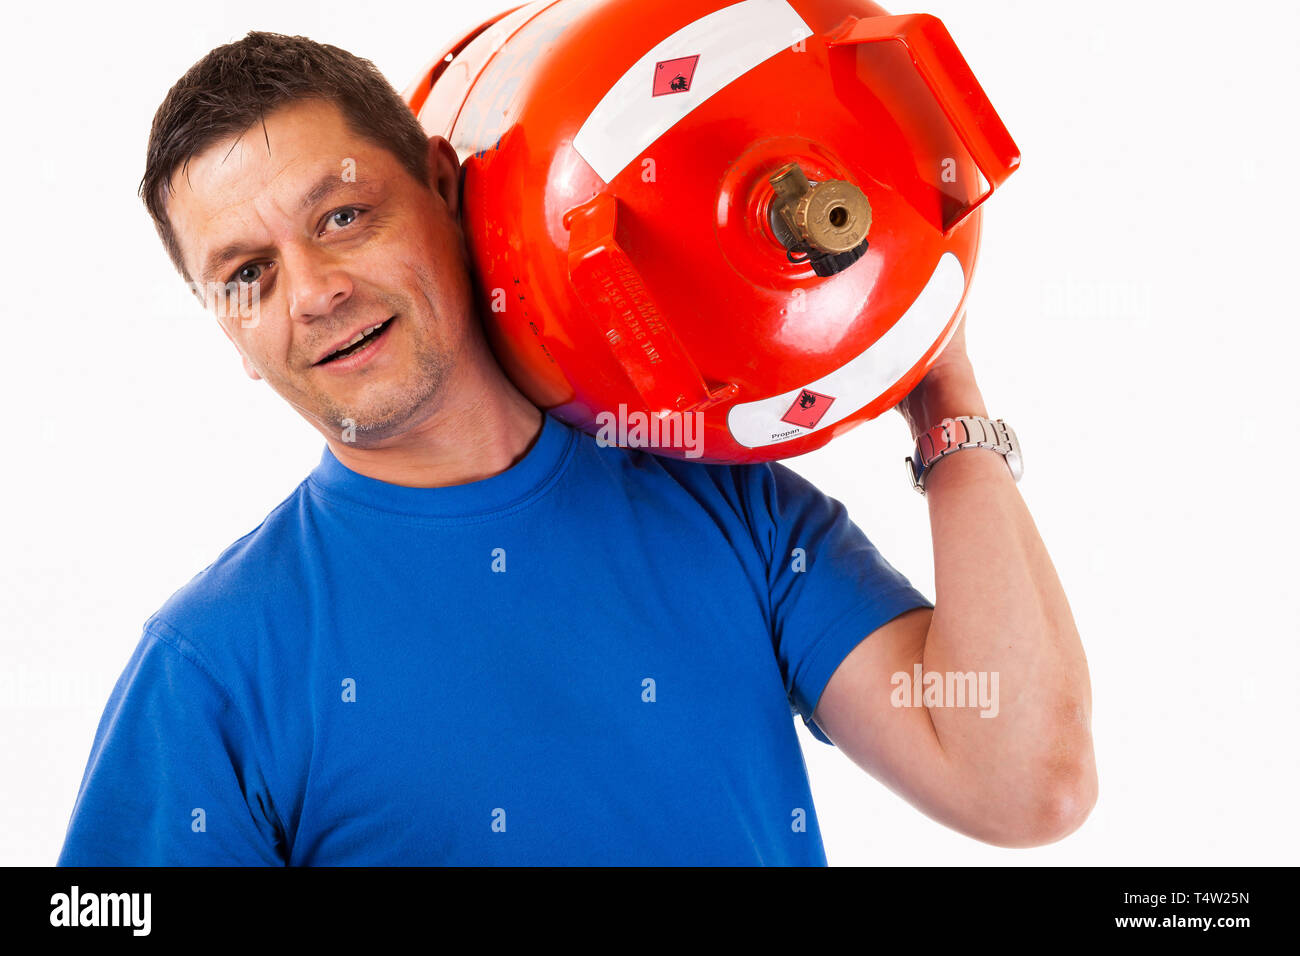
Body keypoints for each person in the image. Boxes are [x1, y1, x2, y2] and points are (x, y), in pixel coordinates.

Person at [57, 31, 1096, 866]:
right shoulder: (211, 666)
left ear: (442, 185)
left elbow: (1022, 781)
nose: (315, 290)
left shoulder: (727, 506)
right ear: (226, 329)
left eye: (342, 215)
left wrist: (936, 380)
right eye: (246, 273)